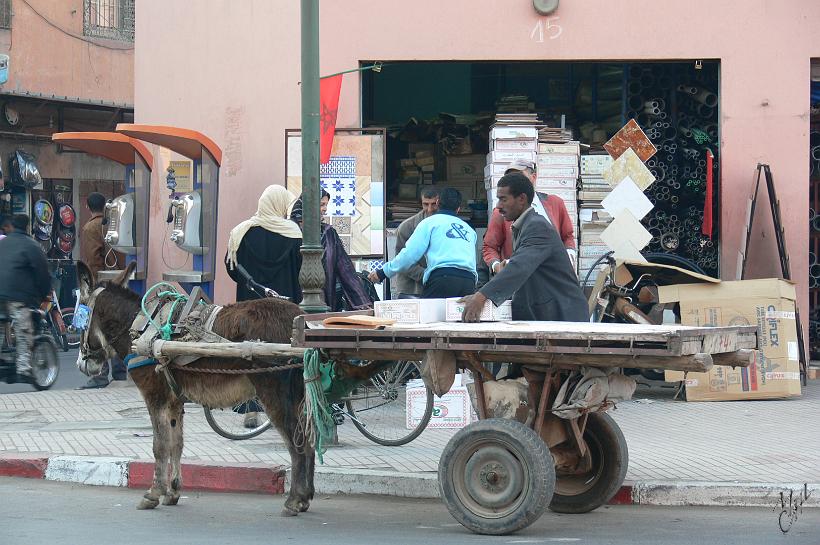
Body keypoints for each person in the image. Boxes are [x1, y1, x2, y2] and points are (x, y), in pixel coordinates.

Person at [461, 172, 588, 323]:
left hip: (563, 315)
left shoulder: (537, 226)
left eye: (503, 199)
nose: (498, 206)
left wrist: (481, 296)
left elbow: (519, 267)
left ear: (521, 199)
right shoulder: (523, 226)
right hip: (547, 315)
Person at [369, 187, 477, 299]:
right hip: (469, 281)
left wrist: (383, 272)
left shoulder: (429, 223)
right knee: (459, 316)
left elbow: (409, 255)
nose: (430, 209)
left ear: (438, 203)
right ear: (458, 209)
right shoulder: (469, 230)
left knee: (429, 315)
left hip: (442, 278)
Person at [483, 159, 577, 276]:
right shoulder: (502, 212)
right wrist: (497, 266)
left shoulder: (554, 203)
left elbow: (567, 236)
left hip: (552, 275)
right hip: (518, 278)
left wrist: (569, 254)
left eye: (520, 177)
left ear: (534, 177)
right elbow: (490, 246)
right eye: (511, 178)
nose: (515, 182)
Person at [289, 190, 372, 312]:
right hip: (293, 303)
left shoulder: (328, 234)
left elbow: (345, 269)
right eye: (322, 205)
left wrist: (363, 304)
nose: (325, 209)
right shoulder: (288, 232)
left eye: (326, 205)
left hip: (324, 301)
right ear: (308, 205)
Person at [78, 193, 127, 389]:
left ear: (88, 206)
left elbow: (93, 260)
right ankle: (120, 372)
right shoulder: (115, 224)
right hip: (119, 282)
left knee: (97, 330)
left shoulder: (91, 228)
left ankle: (100, 376)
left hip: (101, 284)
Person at [226, 184, 303, 303]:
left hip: (249, 307)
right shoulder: (293, 233)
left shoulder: (241, 232)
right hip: (285, 308)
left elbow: (232, 268)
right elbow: (302, 269)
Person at [0, 215, 51, 381]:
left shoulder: (3, 243)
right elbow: (43, 273)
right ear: (27, 227)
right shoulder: (31, 245)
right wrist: (44, 294)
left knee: (1, 326)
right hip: (18, 296)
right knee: (23, 330)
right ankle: (24, 369)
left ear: (12, 227)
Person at [392, 188, 439, 298]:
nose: (430, 209)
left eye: (434, 204)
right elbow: (402, 261)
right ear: (421, 204)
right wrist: (428, 276)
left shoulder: (446, 226)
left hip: (437, 286)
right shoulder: (407, 227)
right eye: (426, 204)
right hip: (411, 288)